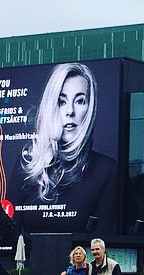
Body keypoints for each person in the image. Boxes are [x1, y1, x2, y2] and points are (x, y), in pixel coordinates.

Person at [6, 62, 116, 234]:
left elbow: (102, 242)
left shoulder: (106, 170)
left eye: (80, 101)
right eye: (61, 101)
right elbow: (7, 234)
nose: (70, 111)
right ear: (51, 106)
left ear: (90, 107)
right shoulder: (28, 162)